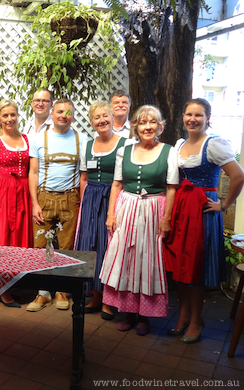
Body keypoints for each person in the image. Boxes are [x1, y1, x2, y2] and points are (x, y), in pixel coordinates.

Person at [164, 99, 244, 343]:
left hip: (203, 209)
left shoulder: (214, 144)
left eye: (198, 115)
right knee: (181, 264)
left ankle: (197, 319)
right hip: (181, 207)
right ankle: (184, 314)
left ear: (207, 118)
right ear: (183, 117)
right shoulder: (180, 144)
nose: (192, 119)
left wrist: (224, 205)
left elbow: (238, 175)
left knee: (196, 266)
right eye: (189, 114)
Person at [100, 105, 178, 336]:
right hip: (126, 207)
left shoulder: (169, 151)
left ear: (160, 126)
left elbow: (171, 188)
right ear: (135, 126)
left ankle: (144, 316)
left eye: (152, 122)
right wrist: (111, 214)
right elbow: (117, 184)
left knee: (147, 259)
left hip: (153, 209)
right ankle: (127, 312)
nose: (147, 127)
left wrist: (166, 219)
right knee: (125, 259)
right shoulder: (126, 149)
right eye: (142, 123)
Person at [28, 98, 88, 311]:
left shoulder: (82, 140)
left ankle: (62, 290)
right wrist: (35, 203)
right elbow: (33, 172)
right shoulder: (38, 139)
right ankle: (43, 292)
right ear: (52, 114)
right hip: (44, 197)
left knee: (66, 246)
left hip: (70, 199)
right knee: (40, 246)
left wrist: (80, 201)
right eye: (60, 111)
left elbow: (83, 175)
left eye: (68, 112)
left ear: (73, 116)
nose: (64, 115)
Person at [74, 102, 128, 318]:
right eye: (97, 117)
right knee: (92, 245)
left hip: (113, 199)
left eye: (105, 115)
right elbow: (84, 178)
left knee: (109, 247)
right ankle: (95, 295)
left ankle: (109, 299)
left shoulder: (125, 144)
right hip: (91, 198)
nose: (102, 120)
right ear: (91, 121)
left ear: (111, 116)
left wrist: (114, 208)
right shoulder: (88, 146)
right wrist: (83, 205)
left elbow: (124, 178)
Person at [0, 100, 32, 307]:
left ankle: (13, 280)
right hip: (1, 190)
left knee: (18, 235)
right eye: (5, 115)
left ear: (18, 116)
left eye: (13, 115)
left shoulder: (26, 138)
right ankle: (0, 288)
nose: (10, 119)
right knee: (0, 237)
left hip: (22, 191)